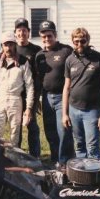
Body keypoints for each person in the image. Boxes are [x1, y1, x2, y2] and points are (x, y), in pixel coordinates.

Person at [62, 27, 100, 160]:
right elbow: (66, 87)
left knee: (92, 147)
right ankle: (81, 174)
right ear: (72, 41)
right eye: (76, 41)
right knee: (79, 145)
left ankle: (93, 176)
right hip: (74, 109)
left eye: (82, 41)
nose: (79, 45)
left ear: (88, 41)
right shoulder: (69, 60)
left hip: (92, 111)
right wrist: (65, 114)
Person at [35, 20, 74, 169]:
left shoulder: (66, 51)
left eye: (49, 36)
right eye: (43, 36)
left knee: (63, 130)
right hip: (46, 97)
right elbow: (38, 78)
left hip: (62, 98)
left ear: (55, 35)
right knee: (50, 131)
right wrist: (38, 98)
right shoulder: (39, 55)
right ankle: (55, 158)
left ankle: (65, 162)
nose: (47, 39)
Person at [0, 31, 34, 146]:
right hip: (0, 99)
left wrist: (28, 107)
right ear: (2, 45)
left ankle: (14, 158)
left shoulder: (23, 61)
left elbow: (29, 85)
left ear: (15, 45)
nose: (8, 48)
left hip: (15, 100)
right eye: (6, 45)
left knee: (15, 132)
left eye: (11, 44)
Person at [14, 18, 42, 157]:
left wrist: (36, 99)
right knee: (16, 127)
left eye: (24, 30)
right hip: (15, 96)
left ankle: (35, 156)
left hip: (30, 95)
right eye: (19, 30)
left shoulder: (36, 50)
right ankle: (17, 154)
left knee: (32, 127)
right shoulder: (11, 49)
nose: (22, 33)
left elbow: (38, 77)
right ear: (15, 33)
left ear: (29, 32)